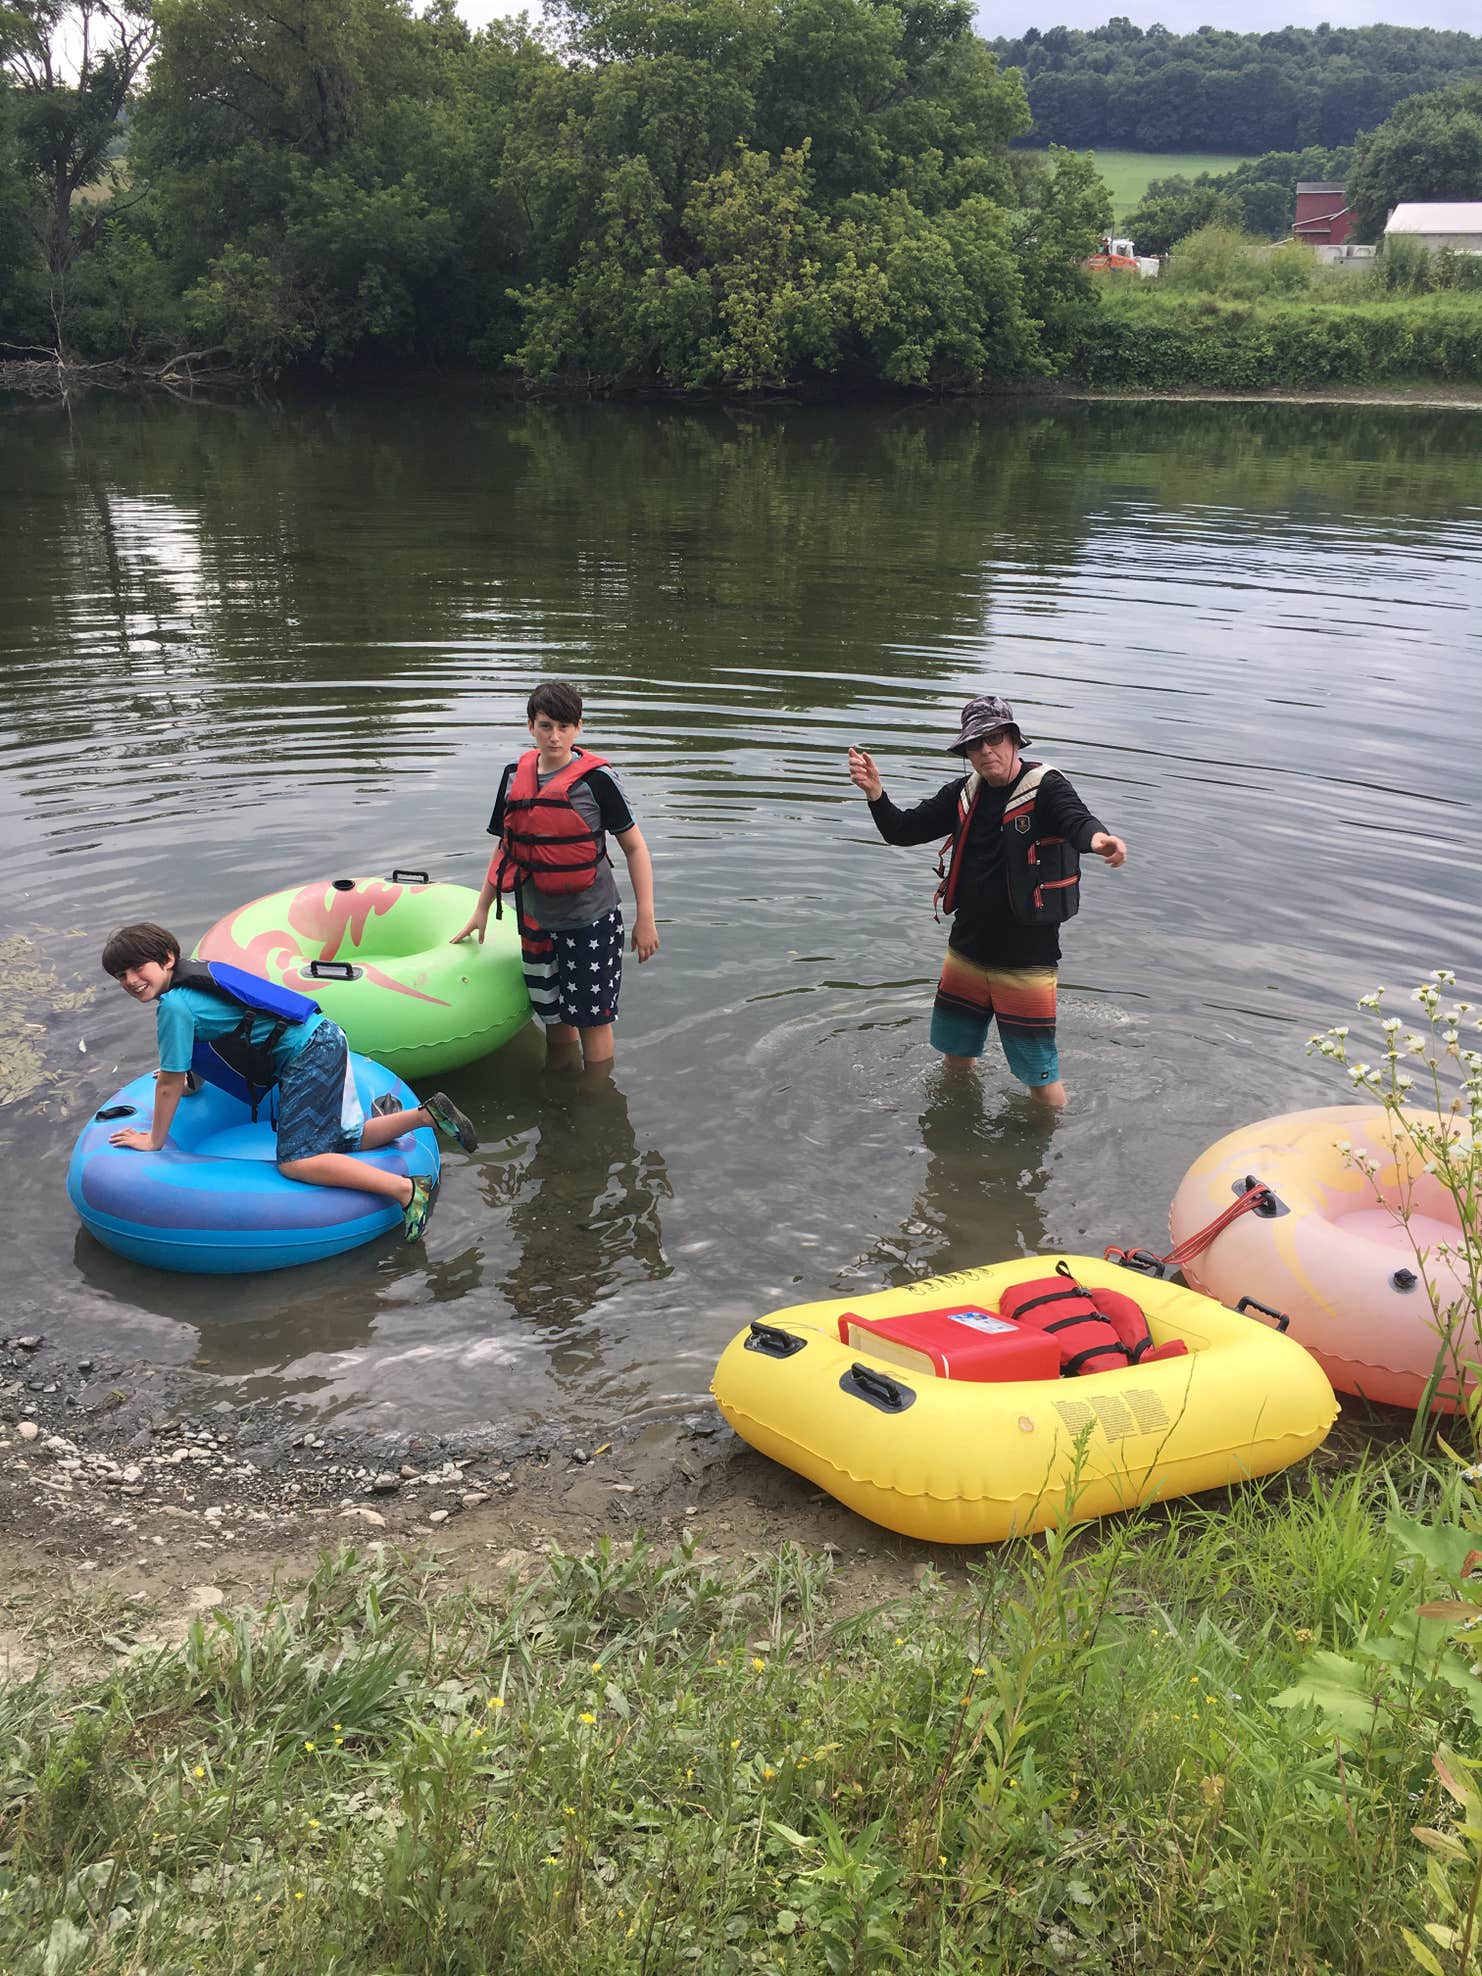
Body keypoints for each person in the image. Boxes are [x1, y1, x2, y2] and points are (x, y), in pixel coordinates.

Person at [100, 922, 479, 1242]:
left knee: (298, 1162)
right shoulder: (191, 983)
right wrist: (191, 1084)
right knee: (340, 1139)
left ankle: (407, 1189)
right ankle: (426, 1116)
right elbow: (205, 1047)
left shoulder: (174, 1006)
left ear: (167, 959)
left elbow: (167, 1081)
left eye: (137, 968)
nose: (131, 980)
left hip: (306, 1055)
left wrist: (154, 1141)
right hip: (324, 1037)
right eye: (121, 975)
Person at [848, 694, 1126, 1110]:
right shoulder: (964, 793)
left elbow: (1076, 820)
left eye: (994, 739)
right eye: (975, 744)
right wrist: (875, 793)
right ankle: (958, 1128)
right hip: (968, 950)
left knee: (1040, 1076)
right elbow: (901, 831)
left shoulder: (1046, 788)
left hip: (1026, 957)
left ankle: (1050, 1158)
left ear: (1014, 740)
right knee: (956, 1059)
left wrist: (1100, 842)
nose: (985, 751)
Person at [451, 680, 658, 1068]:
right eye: (546, 726)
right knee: (553, 1015)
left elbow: (635, 847)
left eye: (564, 727)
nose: (555, 736)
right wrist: (481, 908)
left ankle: (597, 1099)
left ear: (578, 727)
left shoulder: (597, 781)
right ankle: (561, 1088)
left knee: (592, 1020)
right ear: (531, 726)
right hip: (535, 918)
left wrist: (645, 918)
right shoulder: (514, 776)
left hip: (589, 920)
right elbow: (505, 846)